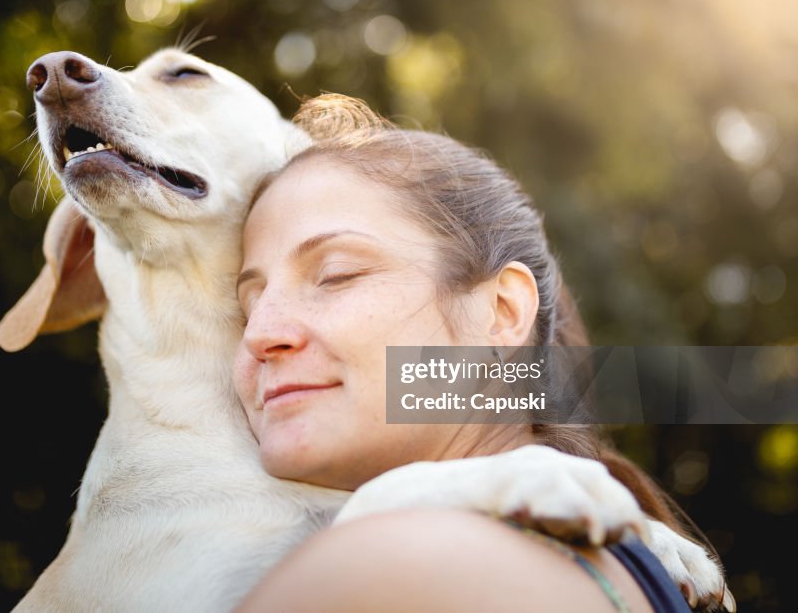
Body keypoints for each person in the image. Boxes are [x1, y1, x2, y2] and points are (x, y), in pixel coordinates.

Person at [231, 94, 718, 612]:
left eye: (337, 275)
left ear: (503, 311)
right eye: (245, 308)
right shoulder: (622, 565)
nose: (261, 333)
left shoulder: (386, 573)